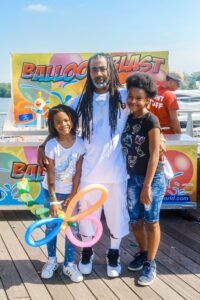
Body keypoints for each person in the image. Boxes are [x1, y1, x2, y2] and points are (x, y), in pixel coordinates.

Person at [38, 53, 130, 278]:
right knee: (87, 218)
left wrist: (161, 137)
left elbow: (145, 117)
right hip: (88, 174)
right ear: (89, 74)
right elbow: (59, 124)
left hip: (116, 174)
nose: (99, 73)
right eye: (94, 70)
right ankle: (86, 253)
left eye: (102, 69)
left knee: (117, 217)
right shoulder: (78, 102)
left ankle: (113, 255)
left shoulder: (125, 97)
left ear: (110, 70)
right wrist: (43, 146)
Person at [121, 73, 166, 286]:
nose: (133, 101)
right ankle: (143, 252)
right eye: (130, 96)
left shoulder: (151, 120)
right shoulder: (127, 118)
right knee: (135, 221)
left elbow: (155, 155)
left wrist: (147, 186)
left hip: (152, 178)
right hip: (132, 178)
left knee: (151, 221)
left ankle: (151, 262)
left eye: (138, 98)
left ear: (147, 99)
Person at [40, 104, 85, 282]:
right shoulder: (51, 145)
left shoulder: (81, 143)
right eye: (58, 122)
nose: (63, 124)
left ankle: (68, 264)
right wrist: (52, 200)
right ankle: (51, 260)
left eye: (66, 120)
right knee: (51, 227)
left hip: (70, 195)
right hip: (51, 193)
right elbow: (50, 176)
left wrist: (73, 193)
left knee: (71, 230)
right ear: (53, 124)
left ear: (72, 121)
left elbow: (78, 172)